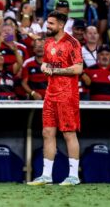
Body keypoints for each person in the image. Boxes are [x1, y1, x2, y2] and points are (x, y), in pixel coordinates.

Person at [28, 11, 83, 186]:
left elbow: (78, 69)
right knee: (47, 133)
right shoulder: (49, 42)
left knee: (68, 133)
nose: (47, 26)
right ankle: (46, 176)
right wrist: (45, 67)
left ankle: (73, 176)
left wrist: (57, 70)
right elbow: (44, 62)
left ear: (61, 25)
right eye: (47, 23)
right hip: (50, 94)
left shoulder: (72, 43)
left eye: (51, 24)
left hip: (67, 95)